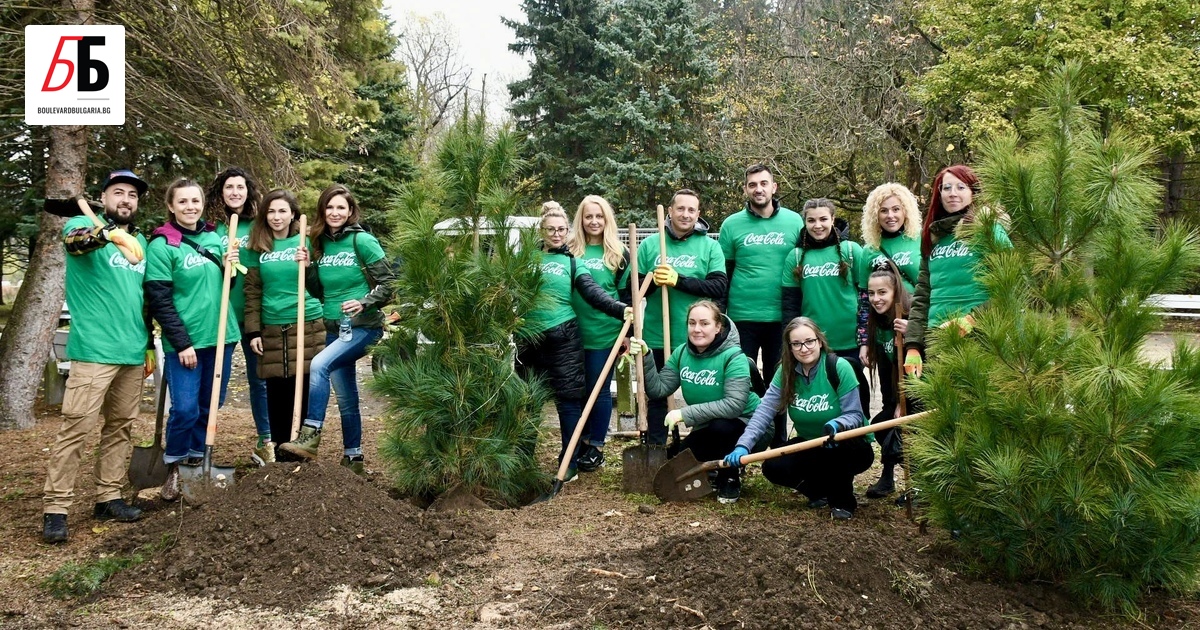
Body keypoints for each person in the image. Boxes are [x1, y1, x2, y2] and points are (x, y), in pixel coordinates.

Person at [42, 169, 154, 543]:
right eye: (118, 192)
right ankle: (55, 508)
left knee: (120, 427)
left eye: (133, 196)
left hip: (132, 351)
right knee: (76, 428)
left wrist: (149, 344)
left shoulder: (138, 241)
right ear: (104, 198)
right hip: (93, 351)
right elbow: (77, 243)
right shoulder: (81, 225)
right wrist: (105, 232)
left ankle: (108, 497)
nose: (126, 200)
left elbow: (142, 299)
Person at [280, 184, 396, 474]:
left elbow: (391, 283)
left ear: (350, 211)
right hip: (334, 328)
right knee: (345, 397)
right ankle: (353, 458)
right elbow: (318, 291)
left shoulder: (363, 241)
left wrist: (364, 301)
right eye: (329, 207)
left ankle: (310, 436)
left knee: (318, 365)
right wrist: (307, 268)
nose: (335, 212)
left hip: (363, 326)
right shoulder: (318, 244)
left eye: (341, 207)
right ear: (322, 210)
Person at [517, 202, 631, 480]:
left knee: (568, 401)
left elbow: (593, 293)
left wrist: (621, 310)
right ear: (541, 231)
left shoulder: (573, 262)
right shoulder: (526, 260)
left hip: (563, 338)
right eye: (550, 229)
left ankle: (569, 461)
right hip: (529, 339)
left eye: (561, 229)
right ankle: (522, 460)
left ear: (567, 231)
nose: (556, 234)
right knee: (527, 399)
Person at [144, 178, 239, 501]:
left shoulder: (215, 238)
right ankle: (174, 465)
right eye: (182, 202)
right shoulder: (162, 245)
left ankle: (198, 463)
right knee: (184, 408)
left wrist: (231, 268)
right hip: (185, 343)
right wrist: (182, 343)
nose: (190, 207)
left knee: (210, 405)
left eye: (195, 201)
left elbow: (229, 288)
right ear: (171, 206)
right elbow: (159, 299)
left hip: (222, 336)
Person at [723, 317, 873, 519]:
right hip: (811, 444)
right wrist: (743, 445)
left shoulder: (839, 367)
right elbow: (764, 412)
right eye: (796, 344)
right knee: (773, 466)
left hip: (847, 445)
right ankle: (818, 492)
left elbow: (855, 414)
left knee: (837, 452)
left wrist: (837, 424)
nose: (804, 348)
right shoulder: (785, 372)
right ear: (790, 347)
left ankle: (843, 502)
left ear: (819, 341)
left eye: (809, 341)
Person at [632, 300, 760, 504]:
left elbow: (734, 405)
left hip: (748, 426)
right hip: (708, 426)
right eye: (692, 323)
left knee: (722, 428)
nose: (697, 329)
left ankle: (730, 477)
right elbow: (659, 390)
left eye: (704, 323)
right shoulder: (682, 352)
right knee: (677, 457)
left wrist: (685, 414)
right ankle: (713, 468)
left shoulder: (734, 357)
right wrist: (646, 357)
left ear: (718, 327)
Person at [904, 165, 1013, 379]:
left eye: (961, 187)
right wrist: (913, 345)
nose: (953, 193)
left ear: (973, 192)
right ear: (939, 194)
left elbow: (1012, 282)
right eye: (946, 188)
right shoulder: (933, 236)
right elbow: (922, 295)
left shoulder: (988, 229)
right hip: (939, 337)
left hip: (981, 335)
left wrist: (973, 320)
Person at [637, 189, 728, 444]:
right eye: (680, 209)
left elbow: (718, 287)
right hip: (658, 334)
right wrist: (653, 281)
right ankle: (655, 448)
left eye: (691, 210)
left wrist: (679, 280)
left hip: (698, 339)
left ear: (698, 214)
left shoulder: (710, 246)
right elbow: (631, 290)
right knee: (657, 397)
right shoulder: (650, 245)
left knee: (704, 396)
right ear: (670, 211)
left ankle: (703, 448)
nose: (685, 214)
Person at [242, 189, 326, 462]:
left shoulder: (307, 241)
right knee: (276, 390)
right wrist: (253, 330)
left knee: (303, 387)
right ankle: (279, 449)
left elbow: (321, 281)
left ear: (293, 214)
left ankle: (300, 450)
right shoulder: (258, 246)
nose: (276, 217)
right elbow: (252, 291)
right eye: (271, 211)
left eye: (282, 211)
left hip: (307, 323)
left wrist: (310, 263)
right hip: (272, 327)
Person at [205, 167, 272, 465]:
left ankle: (265, 440)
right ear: (220, 192)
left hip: (255, 314)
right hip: (223, 315)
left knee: (260, 380)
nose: (235, 192)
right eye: (229, 187)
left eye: (240, 187)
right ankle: (200, 445)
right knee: (217, 380)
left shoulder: (259, 226)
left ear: (248, 191)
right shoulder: (210, 229)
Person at [781, 198, 870, 413]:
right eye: (811, 220)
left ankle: (861, 438)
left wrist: (866, 339)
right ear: (805, 222)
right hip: (813, 343)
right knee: (824, 399)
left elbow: (866, 297)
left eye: (823, 219)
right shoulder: (796, 257)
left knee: (856, 397)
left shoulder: (852, 251)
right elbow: (790, 305)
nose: (817, 225)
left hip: (850, 340)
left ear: (833, 219)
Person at [718, 164, 804, 383]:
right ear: (745, 189)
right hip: (742, 316)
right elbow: (723, 274)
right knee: (741, 380)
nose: (759, 189)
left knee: (779, 381)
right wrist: (719, 314)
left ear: (774, 187)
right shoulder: (731, 225)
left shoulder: (795, 221)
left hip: (782, 318)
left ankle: (776, 420)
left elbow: (805, 266)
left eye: (764, 183)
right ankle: (748, 419)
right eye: (752, 185)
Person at [568, 195, 633, 472]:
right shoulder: (570, 251)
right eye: (588, 216)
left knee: (600, 391)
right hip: (571, 333)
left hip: (605, 333)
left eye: (599, 216)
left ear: (607, 220)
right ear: (580, 220)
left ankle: (597, 445)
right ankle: (580, 440)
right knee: (578, 390)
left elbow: (628, 296)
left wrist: (628, 335)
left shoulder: (619, 253)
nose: (594, 221)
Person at [863, 263, 911, 498]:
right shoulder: (879, 322)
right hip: (892, 395)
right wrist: (892, 404)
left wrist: (912, 333)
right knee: (882, 425)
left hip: (915, 397)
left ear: (896, 292)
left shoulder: (908, 317)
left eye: (882, 292)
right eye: (871, 293)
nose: (876, 299)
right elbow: (885, 370)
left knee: (906, 434)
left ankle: (919, 485)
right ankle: (888, 477)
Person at [859, 182, 922, 296]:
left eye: (896, 209)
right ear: (875, 215)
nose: (890, 215)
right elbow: (864, 294)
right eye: (883, 210)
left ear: (905, 211)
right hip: (884, 313)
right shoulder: (869, 249)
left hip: (918, 311)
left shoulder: (920, 238)